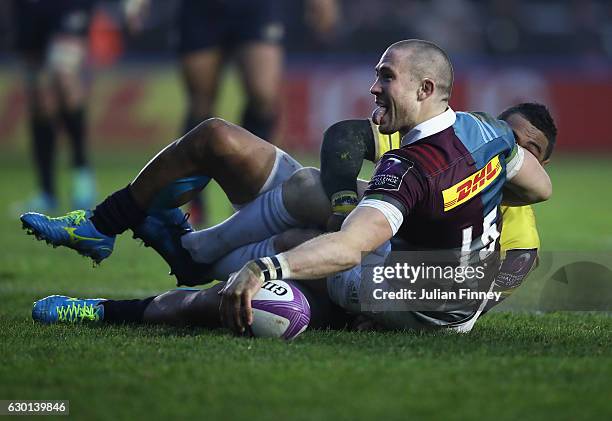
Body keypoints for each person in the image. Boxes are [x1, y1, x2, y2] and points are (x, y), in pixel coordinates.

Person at [25, 40, 554, 334]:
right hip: (440, 292)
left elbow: (350, 246)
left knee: (280, 275)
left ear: (426, 89)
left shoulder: (410, 168)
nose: (373, 85)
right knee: (310, 206)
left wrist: (264, 267)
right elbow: (539, 187)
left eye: (385, 76)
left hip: (404, 295)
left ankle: (105, 309)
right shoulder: (492, 136)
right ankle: (188, 253)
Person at [11, 0, 97, 212]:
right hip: (29, 8)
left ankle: (81, 173)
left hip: (67, 5)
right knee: (39, 100)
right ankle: (47, 192)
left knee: (63, 77)